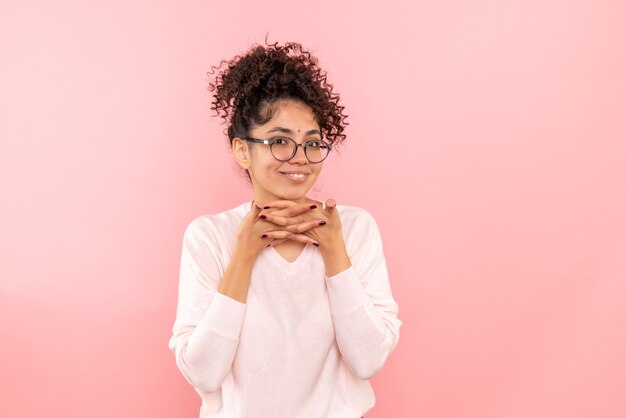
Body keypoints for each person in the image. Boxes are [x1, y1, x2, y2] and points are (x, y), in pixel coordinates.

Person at [168, 38, 402, 418]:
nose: (300, 159)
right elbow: (204, 373)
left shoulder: (356, 229)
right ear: (242, 150)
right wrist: (243, 256)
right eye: (280, 141)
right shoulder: (209, 237)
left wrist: (335, 254)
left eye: (312, 144)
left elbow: (368, 360)